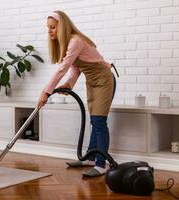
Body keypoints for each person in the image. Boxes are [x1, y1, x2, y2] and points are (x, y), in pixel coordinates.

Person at [37, 10, 117, 177]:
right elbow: (75, 68)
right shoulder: (67, 44)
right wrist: (69, 84)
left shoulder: (75, 41)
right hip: (92, 81)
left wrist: (46, 92)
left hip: (103, 78)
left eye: (53, 27)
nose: (50, 31)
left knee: (99, 121)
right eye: (48, 28)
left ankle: (102, 165)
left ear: (62, 27)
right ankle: (90, 158)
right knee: (95, 121)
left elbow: (62, 69)